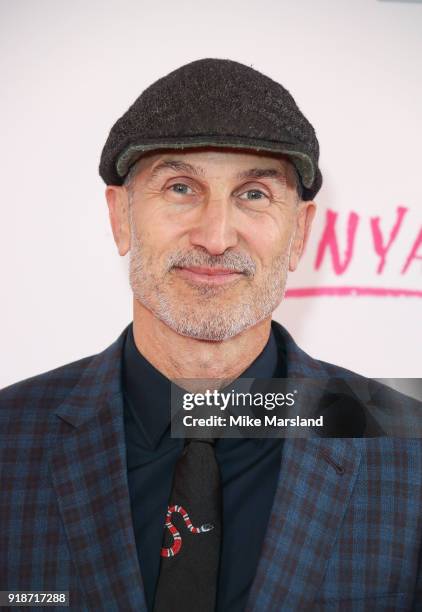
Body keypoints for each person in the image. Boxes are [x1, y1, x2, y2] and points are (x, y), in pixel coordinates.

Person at [1, 58, 421, 612]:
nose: (216, 236)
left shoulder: (408, 447)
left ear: (299, 233)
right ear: (121, 217)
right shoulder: (9, 440)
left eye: (253, 194)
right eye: (180, 187)